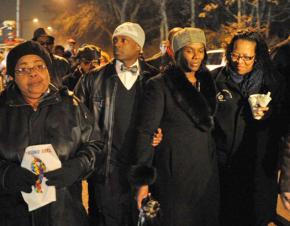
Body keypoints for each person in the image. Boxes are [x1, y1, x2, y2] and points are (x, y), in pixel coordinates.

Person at [0, 40, 103, 226]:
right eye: (23, 69)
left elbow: (95, 145)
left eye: (39, 66)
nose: (33, 72)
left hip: (65, 214)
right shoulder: (2, 108)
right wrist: (7, 174)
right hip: (13, 214)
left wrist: (78, 167)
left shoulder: (71, 104)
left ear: (48, 70)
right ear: (12, 76)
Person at [130, 27, 219, 226]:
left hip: (206, 171)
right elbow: (145, 132)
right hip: (174, 172)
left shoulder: (208, 82)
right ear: (177, 53)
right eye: (189, 50)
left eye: (200, 50)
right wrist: (143, 183)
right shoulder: (159, 85)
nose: (196, 56)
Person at [75, 22, 160, 226]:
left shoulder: (155, 79)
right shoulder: (92, 79)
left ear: (139, 46)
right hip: (106, 166)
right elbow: (75, 119)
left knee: (139, 217)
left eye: (124, 40)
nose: (117, 44)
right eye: (115, 40)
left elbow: (167, 117)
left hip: (142, 164)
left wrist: (161, 134)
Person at [212, 31, 285, 226]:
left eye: (247, 57)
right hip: (223, 168)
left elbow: (284, 125)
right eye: (235, 55)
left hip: (258, 169)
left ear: (258, 56)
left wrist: (269, 114)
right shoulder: (215, 80)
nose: (240, 62)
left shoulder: (273, 83)